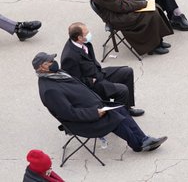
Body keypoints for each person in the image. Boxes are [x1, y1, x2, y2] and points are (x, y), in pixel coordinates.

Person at [34, 52, 165, 153]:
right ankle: (138, 145)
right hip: (83, 120)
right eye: (50, 61)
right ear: (42, 67)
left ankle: (143, 139)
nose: (54, 62)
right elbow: (69, 114)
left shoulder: (56, 73)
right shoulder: (49, 90)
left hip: (94, 106)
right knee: (115, 118)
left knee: (119, 109)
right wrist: (94, 113)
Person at [60, 22, 143, 115]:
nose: (89, 34)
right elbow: (74, 81)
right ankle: (119, 117)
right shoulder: (69, 56)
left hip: (99, 73)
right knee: (122, 90)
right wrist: (91, 81)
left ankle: (127, 108)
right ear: (79, 38)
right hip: (93, 83)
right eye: (86, 33)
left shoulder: (83, 42)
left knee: (127, 72)